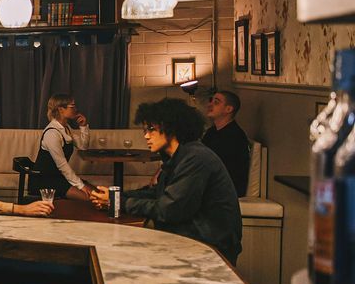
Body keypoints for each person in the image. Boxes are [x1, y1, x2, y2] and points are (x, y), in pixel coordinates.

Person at [91, 98, 242, 264]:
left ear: (171, 128)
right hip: (193, 239)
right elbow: (157, 193)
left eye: (151, 129)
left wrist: (118, 202)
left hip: (211, 248)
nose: (146, 136)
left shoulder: (195, 157)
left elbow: (169, 210)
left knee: (121, 254)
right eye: (145, 130)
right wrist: (115, 196)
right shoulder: (180, 155)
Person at [32, 94, 94, 201]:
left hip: (59, 177)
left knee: (96, 193)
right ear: (61, 109)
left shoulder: (66, 127)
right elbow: (62, 165)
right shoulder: (52, 133)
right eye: (72, 106)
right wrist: (81, 186)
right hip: (45, 180)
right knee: (90, 198)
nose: (75, 109)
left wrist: (83, 126)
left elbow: (83, 146)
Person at [202, 89, 251, 196]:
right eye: (211, 101)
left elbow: (216, 166)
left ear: (228, 109)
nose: (210, 105)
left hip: (226, 189)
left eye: (216, 102)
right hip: (213, 182)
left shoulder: (234, 136)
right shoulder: (212, 131)